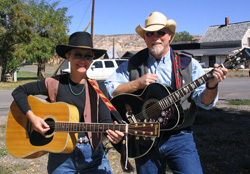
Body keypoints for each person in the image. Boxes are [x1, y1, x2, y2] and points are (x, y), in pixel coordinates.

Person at [105, 12, 228, 174]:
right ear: (145, 38)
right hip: (144, 137)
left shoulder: (188, 64)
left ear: (170, 36)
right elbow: (110, 88)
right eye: (150, 33)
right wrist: (137, 83)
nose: (156, 37)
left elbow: (204, 102)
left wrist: (211, 86)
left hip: (180, 136)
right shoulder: (133, 63)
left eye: (161, 32)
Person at [12, 31, 124, 174]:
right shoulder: (54, 83)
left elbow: (105, 120)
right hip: (60, 155)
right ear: (68, 56)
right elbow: (19, 91)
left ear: (92, 59)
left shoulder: (98, 88)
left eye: (88, 56)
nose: (83, 60)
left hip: (92, 155)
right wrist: (32, 118)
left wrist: (114, 135)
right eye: (78, 54)